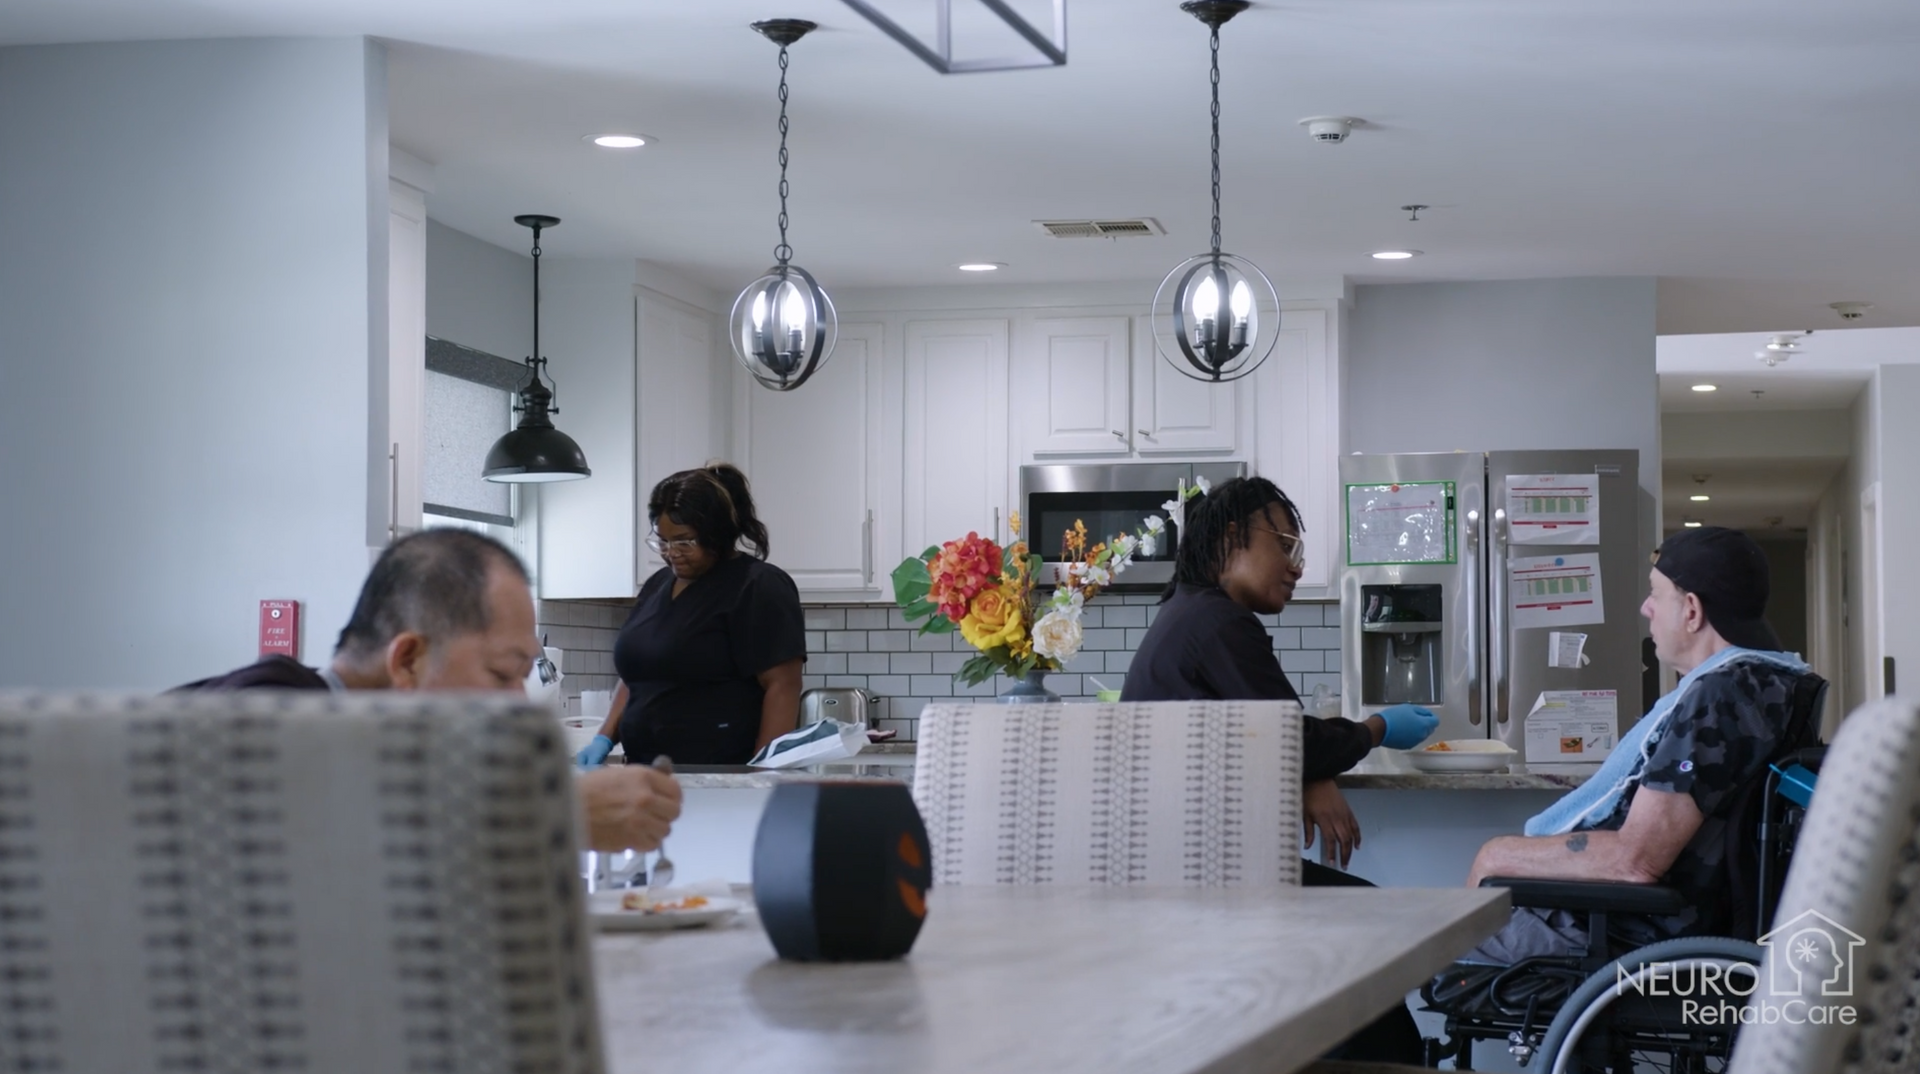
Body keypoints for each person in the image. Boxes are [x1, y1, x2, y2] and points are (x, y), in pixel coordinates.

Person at [180, 528, 682, 854]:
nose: (516, 703)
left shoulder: (393, 763)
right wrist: (552, 814)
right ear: (408, 661)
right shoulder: (271, 700)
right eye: (502, 673)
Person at [1452, 525, 1815, 965]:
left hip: (1630, 935)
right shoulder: (1768, 684)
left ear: (1692, 611)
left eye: (1655, 594)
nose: (1646, 608)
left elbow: (1635, 861)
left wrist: (1497, 854)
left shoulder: (1720, 698)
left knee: (1422, 939)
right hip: (1664, 921)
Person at [1122, 476, 1439, 873]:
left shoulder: (1189, 612)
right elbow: (1293, 741)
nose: (1297, 568)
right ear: (1232, 537)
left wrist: (1310, 772)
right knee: (1381, 917)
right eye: (1285, 545)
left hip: (1178, 863)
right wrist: (1378, 728)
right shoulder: (1219, 621)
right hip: (1198, 875)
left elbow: (1271, 738)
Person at [578, 463, 806, 767]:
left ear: (717, 534)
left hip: (720, 777)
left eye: (685, 541)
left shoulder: (758, 586)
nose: (671, 552)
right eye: (662, 540)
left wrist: (764, 774)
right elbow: (638, 676)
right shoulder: (657, 585)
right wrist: (603, 738)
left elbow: (782, 686)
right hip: (643, 772)